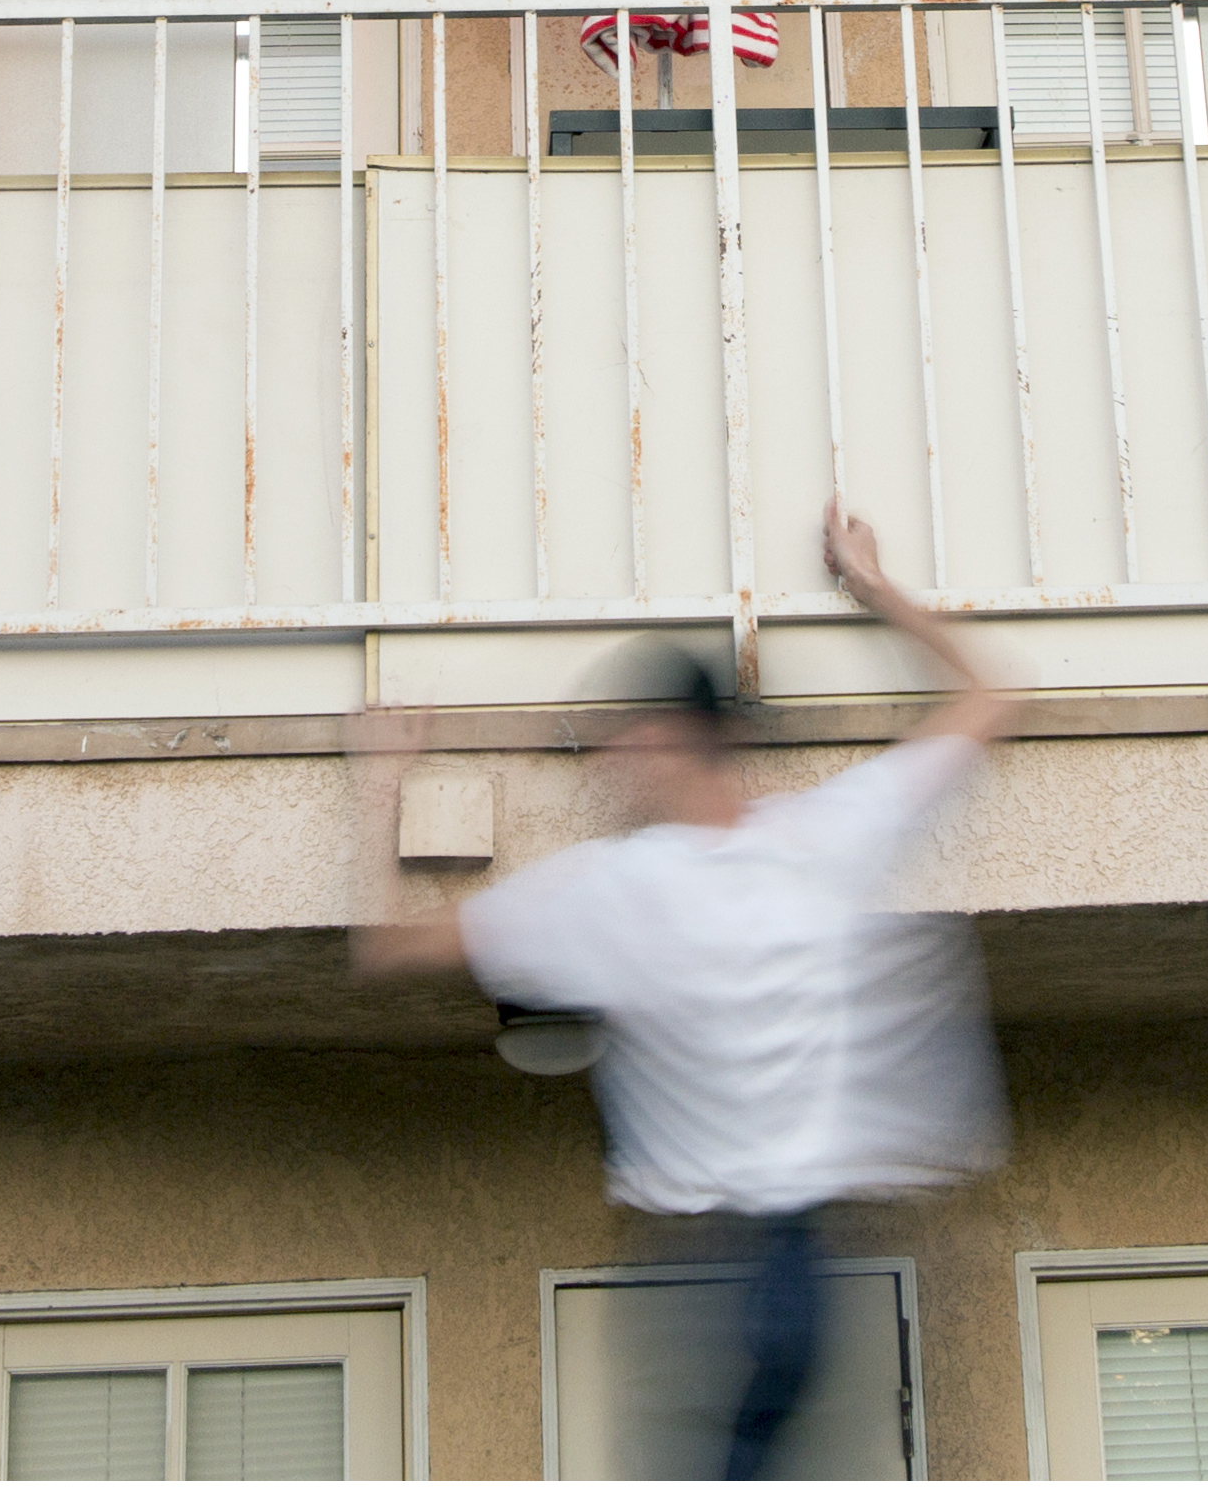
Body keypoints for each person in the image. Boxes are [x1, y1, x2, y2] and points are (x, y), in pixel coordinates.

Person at [353, 503, 1012, 1476]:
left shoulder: (616, 887)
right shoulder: (818, 838)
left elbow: (386, 949)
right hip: (787, 1262)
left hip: (713, 1265)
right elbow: (990, 695)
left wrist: (378, 782)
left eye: (622, 742)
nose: (609, 766)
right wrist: (876, 589)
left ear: (670, 739)